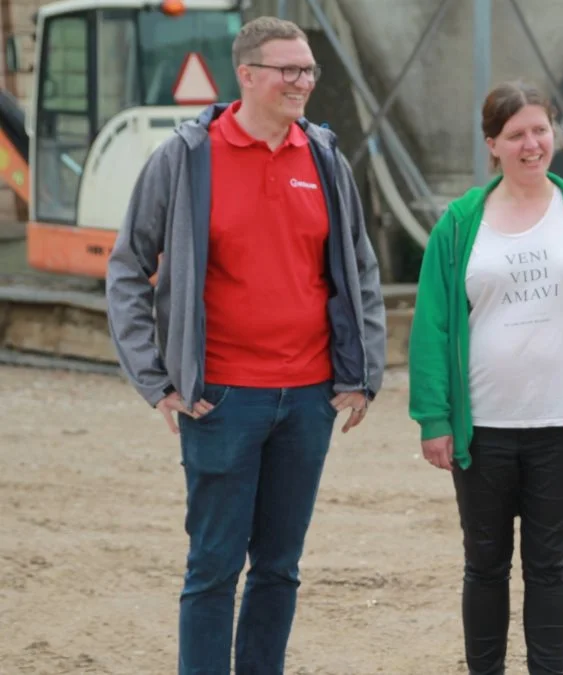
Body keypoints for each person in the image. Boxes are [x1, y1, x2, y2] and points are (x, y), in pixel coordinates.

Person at [105, 16, 387, 675]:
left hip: (309, 398)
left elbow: (359, 268)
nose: (301, 81)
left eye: (308, 69)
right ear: (248, 75)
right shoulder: (186, 157)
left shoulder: (324, 157)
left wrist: (360, 372)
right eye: (287, 69)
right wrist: (156, 378)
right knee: (213, 566)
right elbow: (127, 267)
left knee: (279, 567)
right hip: (222, 398)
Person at [407, 80, 563, 675]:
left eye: (540, 129)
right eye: (516, 135)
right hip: (481, 427)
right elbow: (431, 326)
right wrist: (434, 418)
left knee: (550, 565)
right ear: (493, 144)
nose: (532, 144)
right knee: (483, 564)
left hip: (562, 426)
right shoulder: (460, 225)